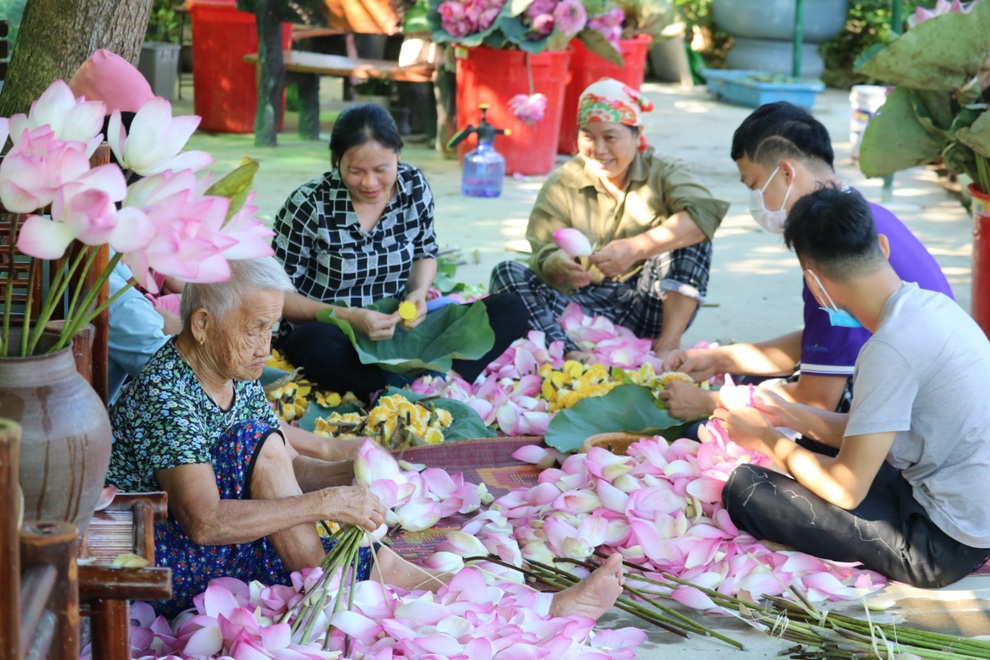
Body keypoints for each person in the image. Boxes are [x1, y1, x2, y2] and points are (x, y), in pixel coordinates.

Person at [107, 257, 625, 618]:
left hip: (225, 537)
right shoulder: (167, 393)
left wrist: (354, 475)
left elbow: (282, 468)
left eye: (271, 329)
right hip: (164, 560)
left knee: (382, 563)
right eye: (254, 329)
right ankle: (326, 583)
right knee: (261, 452)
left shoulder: (231, 371)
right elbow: (203, 522)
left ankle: (540, 608)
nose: (265, 346)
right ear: (201, 323)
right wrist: (324, 502)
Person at [714, 187, 990, 588]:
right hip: (966, 508)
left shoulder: (890, 348)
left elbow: (845, 490)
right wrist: (792, 415)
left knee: (745, 488)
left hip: (943, 543)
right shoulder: (932, 306)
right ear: (882, 246)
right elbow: (879, 429)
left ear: (815, 282)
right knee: (811, 448)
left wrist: (765, 439)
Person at [660, 101, 953, 423]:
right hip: (934, 398)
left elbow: (817, 400)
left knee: (710, 425)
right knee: (748, 383)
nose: (755, 201)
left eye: (754, 185)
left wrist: (708, 403)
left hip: (911, 426)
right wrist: (721, 359)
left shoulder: (828, 252)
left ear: (786, 172)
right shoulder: (863, 216)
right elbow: (823, 340)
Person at [273, 103, 529, 396]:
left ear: (398, 156)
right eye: (355, 171)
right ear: (336, 162)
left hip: (399, 333)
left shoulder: (413, 186)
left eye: (381, 169)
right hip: (336, 334)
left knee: (511, 309)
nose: (369, 183)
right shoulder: (309, 204)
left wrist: (418, 293)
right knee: (314, 345)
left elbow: (425, 252)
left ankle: (442, 380)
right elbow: (277, 295)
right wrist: (349, 316)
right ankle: (400, 387)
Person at [489, 78, 729, 358]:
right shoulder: (562, 183)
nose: (598, 149)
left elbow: (704, 215)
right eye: (588, 136)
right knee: (506, 273)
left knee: (692, 231)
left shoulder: (664, 171)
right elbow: (542, 254)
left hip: (649, 304)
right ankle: (570, 354)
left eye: (610, 137)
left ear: (637, 135)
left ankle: (667, 346)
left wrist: (636, 248)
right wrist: (557, 264)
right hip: (583, 307)